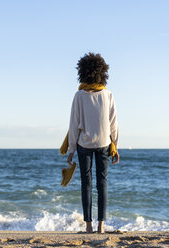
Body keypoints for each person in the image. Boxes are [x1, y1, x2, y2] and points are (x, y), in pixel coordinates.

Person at [66, 52, 119, 234]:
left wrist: (71, 149)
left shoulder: (79, 95)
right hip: (104, 143)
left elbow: (74, 124)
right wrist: (116, 145)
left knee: (86, 184)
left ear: (83, 72)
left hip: (84, 145)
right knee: (102, 184)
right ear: (102, 73)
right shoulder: (108, 94)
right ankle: (101, 226)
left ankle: (88, 226)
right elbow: (114, 123)